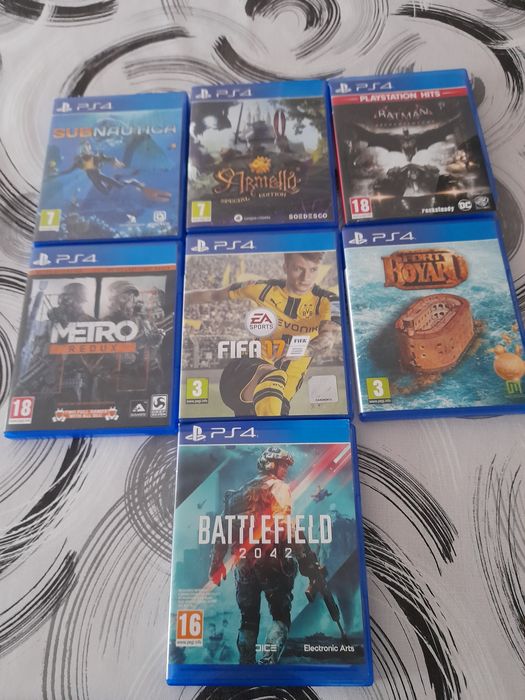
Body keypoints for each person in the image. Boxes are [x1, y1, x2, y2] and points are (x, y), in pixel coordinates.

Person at [185, 252, 340, 416]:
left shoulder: (328, 301)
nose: (305, 278)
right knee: (273, 377)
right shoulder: (264, 289)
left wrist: (305, 350)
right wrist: (174, 300)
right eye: (298, 269)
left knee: (261, 421)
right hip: (246, 374)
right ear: (286, 267)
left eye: (313, 270)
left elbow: (328, 338)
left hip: (281, 394)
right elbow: (213, 294)